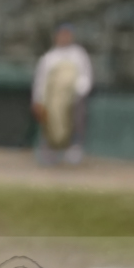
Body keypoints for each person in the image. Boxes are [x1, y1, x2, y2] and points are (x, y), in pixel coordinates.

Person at [32, 23, 93, 165]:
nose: (64, 37)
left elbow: (86, 76)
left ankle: (74, 150)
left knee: (76, 122)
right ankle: (49, 152)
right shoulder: (49, 57)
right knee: (49, 123)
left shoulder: (79, 55)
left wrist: (76, 93)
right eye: (62, 34)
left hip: (74, 98)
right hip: (53, 98)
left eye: (67, 34)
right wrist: (38, 100)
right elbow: (41, 81)